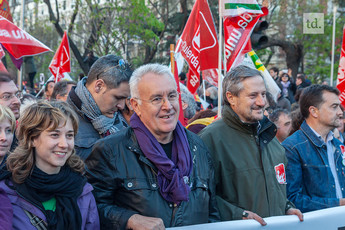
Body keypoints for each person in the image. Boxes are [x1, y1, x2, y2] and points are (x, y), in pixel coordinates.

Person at [85, 63, 220, 229]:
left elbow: (212, 213)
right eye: (157, 99)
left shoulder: (198, 147)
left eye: (171, 96)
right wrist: (129, 219)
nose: (168, 106)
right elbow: (91, 208)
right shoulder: (109, 151)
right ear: (135, 105)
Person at [199, 65, 303, 225]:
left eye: (263, 94)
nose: (262, 102)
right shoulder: (209, 139)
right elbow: (199, 198)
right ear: (231, 97)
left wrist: (286, 207)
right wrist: (238, 215)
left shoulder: (271, 138)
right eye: (253, 95)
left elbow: (277, 189)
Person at [0, 101, 100, 229]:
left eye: (69, 135)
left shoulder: (82, 190)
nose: (64, 144)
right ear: (32, 139)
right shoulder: (6, 191)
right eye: (55, 135)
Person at [282, 85, 345, 212]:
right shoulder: (292, 147)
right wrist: (338, 204)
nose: (340, 112)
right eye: (334, 107)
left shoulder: (338, 145)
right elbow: (291, 200)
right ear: (314, 111)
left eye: (339, 106)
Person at [67, 54, 132, 160]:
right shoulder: (61, 119)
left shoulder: (117, 117)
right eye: (117, 97)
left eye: (125, 98)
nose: (121, 106)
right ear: (99, 86)